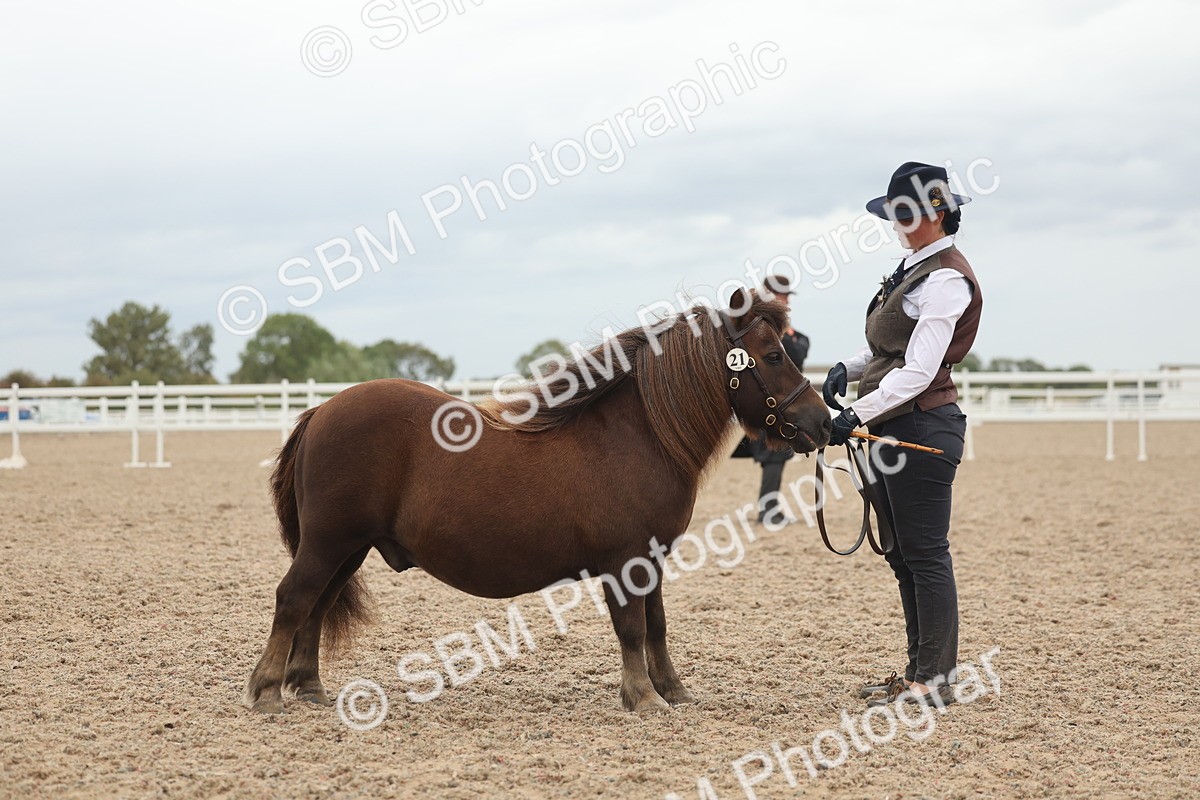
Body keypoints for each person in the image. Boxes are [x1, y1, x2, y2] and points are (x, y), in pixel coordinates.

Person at [823, 162, 982, 707]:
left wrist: (857, 411)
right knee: (901, 553)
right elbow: (888, 348)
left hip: (921, 426)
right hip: (891, 425)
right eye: (894, 211)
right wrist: (848, 365)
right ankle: (919, 670)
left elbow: (918, 369)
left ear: (937, 213)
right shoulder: (912, 268)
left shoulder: (946, 280)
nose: (896, 221)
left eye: (906, 212)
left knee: (925, 551)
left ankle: (935, 681)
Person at [749, 274, 810, 525]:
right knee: (774, 454)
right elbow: (796, 352)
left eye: (785, 296)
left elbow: (801, 349)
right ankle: (768, 509)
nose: (785, 301)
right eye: (780, 295)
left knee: (777, 454)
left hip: (778, 399)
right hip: (770, 401)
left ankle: (769, 506)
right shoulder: (765, 329)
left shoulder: (778, 329)